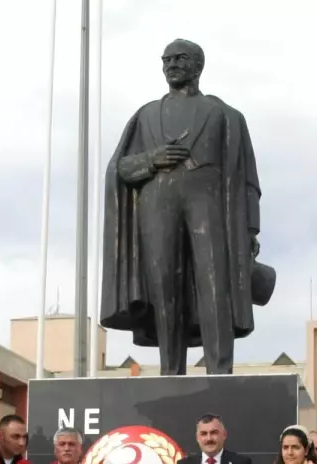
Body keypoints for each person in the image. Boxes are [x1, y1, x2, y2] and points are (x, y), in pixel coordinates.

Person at [101, 38, 269, 376]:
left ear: (197, 66)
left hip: (210, 206)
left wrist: (250, 228)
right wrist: (152, 158)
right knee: (164, 287)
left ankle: (220, 371)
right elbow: (120, 167)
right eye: (166, 60)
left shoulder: (226, 116)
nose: (171, 65)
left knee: (215, 285)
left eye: (180, 59)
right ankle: (170, 371)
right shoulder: (146, 114)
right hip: (156, 205)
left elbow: (248, 179)